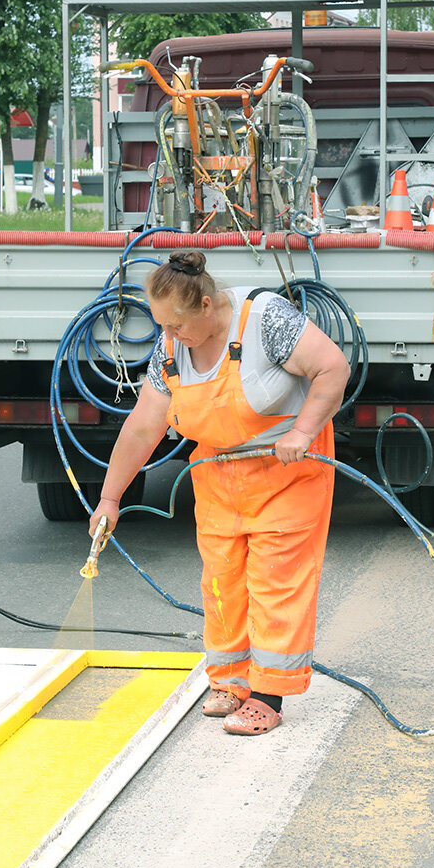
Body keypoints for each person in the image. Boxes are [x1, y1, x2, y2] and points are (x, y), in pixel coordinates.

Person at [89, 250, 350, 736]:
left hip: (286, 474)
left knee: (275, 581)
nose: (169, 336)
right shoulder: (171, 348)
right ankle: (231, 680)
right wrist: (109, 498)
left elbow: (333, 368)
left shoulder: (264, 318)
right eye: (162, 326)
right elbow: (143, 426)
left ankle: (269, 695)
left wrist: (302, 431)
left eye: (177, 324)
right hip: (219, 478)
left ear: (206, 306)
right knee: (222, 583)